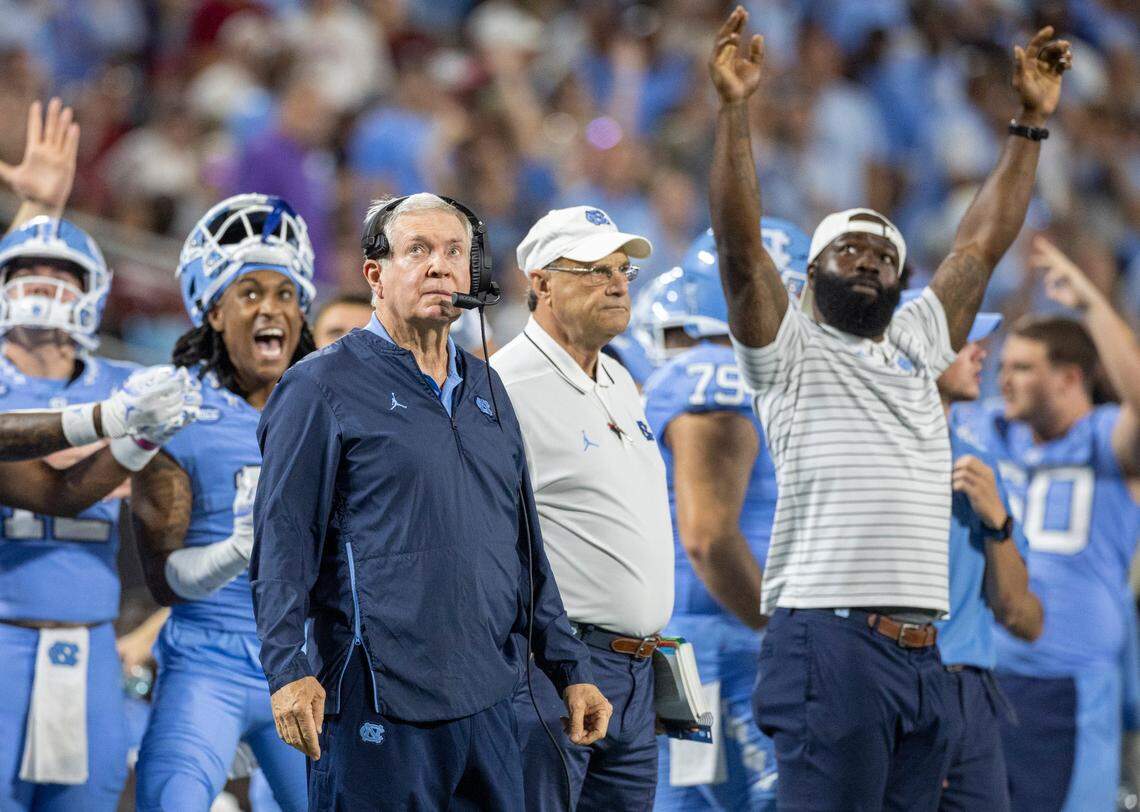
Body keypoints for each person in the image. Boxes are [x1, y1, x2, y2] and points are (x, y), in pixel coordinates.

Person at [706, 6, 1071, 809]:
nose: (869, 260)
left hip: (922, 650)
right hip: (829, 641)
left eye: (884, 256)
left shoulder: (916, 338)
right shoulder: (787, 343)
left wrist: (1029, 126)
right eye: (850, 249)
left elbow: (980, 245)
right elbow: (738, 249)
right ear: (808, 276)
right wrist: (735, 111)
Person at [252, 193, 609, 810]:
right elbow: (283, 539)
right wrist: (286, 670)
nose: (440, 266)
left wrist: (569, 668)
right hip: (378, 695)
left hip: (491, 699)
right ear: (375, 274)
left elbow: (525, 546)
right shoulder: (319, 385)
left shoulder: (488, 386)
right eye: (417, 250)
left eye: (454, 252)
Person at [0, 100, 200, 812]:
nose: (41, 289)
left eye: (60, 276)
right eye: (25, 274)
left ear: (93, 295)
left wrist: (149, 447)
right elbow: (41, 467)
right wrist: (34, 208)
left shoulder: (127, 385)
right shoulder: (110, 400)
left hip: (91, 646)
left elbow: (177, 517)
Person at [130, 193, 318, 812]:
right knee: (172, 799)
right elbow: (164, 583)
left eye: (285, 292)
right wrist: (239, 550)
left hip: (305, 664)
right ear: (213, 312)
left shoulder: (333, 410)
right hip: (205, 660)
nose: (272, 307)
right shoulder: (179, 407)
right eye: (251, 291)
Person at [491, 204, 671, 810]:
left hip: (638, 672)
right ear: (539, 282)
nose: (619, 282)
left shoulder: (619, 380)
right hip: (556, 669)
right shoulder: (504, 386)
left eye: (623, 270)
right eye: (595, 270)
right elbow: (493, 545)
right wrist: (557, 665)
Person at [953, 236, 1140, 812]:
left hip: (1071, 685)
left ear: (1070, 378)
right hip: (988, 675)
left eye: (1023, 369)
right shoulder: (991, 429)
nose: (1002, 380)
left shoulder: (1105, 443)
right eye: (1003, 366)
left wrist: (1090, 305)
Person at [641, 218, 809, 811]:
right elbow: (708, 537)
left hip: (709, 636)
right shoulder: (718, 376)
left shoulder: (718, 373)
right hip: (722, 642)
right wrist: (778, 632)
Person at [924, 296, 1044, 811]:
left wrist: (999, 522)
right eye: (963, 341)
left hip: (968, 692)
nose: (981, 354)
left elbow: (1021, 616)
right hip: (900, 687)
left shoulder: (979, 465)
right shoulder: (870, 454)